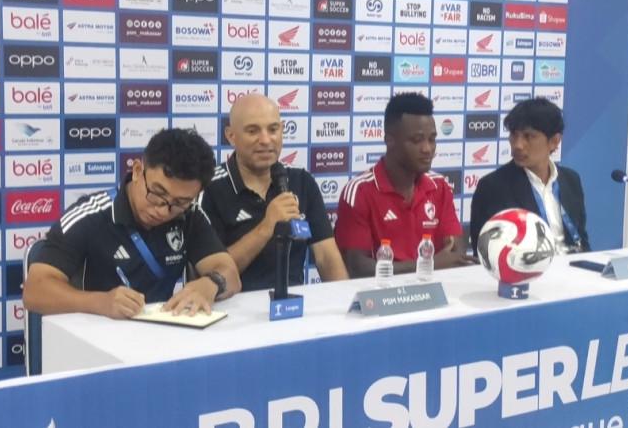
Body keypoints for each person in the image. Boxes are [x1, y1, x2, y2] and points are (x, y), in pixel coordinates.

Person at [23, 129, 241, 319]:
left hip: (162, 335)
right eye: (157, 193)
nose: (163, 211)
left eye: (179, 202)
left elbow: (230, 273)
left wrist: (211, 284)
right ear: (137, 171)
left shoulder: (190, 214)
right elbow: (35, 292)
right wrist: (101, 302)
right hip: (96, 335)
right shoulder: (91, 215)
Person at [200, 93, 348, 291]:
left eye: (273, 129)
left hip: (293, 304)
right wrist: (267, 226)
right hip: (235, 306)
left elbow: (326, 256)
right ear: (230, 135)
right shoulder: (210, 188)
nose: (265, 140)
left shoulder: (302, 181)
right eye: (253, 131)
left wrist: (344, 299)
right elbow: (210, 274)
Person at [335, 92, 473, 277]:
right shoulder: (359, 191)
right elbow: (357, 268)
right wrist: (427, 265)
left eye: (432, 139)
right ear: (389, 140)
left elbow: (455, 254)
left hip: (434, 291)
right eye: (417, 140)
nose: (427, 149)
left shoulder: (439, 186)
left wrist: (432, 265)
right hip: (381, 293)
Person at [470, 97, 589, 254]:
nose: (518, 145)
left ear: (554, 141)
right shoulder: (493, 187)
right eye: (514, 135)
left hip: (571, 266)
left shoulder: (571, 180)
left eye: (529, 136)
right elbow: (485, 251)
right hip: (525, 268)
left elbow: (581, 240)